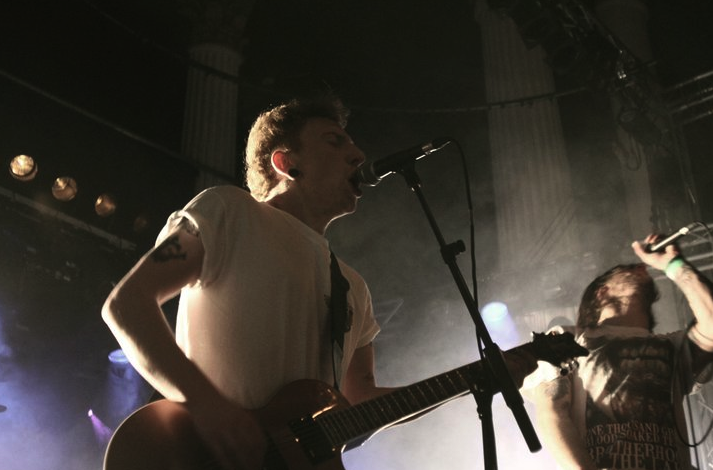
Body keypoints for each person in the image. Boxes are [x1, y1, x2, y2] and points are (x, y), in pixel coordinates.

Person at [102, 95, 541, 470]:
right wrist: (208, 406)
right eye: (335, 141)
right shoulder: (230, 211)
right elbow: (127, 305)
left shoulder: (353, 287)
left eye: (352, 143)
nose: (358, 155)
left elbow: (359, 402)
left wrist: (474, 379)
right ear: (285, 162)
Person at [531, 233, 713, 470]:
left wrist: (674, 264)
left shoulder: (673, 347)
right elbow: (551, 413)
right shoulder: (567, 338)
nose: (640, 267)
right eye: (626, 270)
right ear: (602, 292)